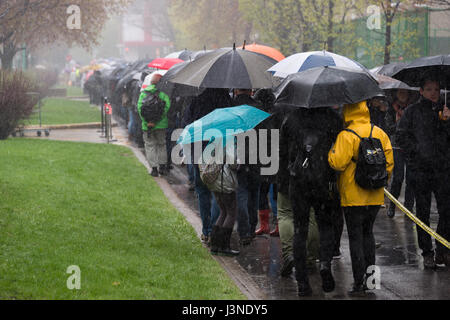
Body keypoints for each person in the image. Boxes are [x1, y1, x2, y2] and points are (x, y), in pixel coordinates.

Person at [329, 100, 394, 296]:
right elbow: (389, 162)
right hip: (374, 195)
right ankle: (372, 280)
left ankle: (358, 282)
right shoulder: (379, 132)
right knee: (369, 235)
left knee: (355, 237)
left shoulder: (346, 135)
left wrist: (331, 151)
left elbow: (337, 163)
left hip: (352, 196)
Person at [281, 107, 342, 296]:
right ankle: (324, 263)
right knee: (325, 225)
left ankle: (302, 281)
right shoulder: (333, 118)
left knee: (300, 229)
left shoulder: (291, 118)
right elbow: (338, 149)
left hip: (299, 180)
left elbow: (283, 151)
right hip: (324, 179)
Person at [396, 74, 450, 268]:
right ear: (421, 91)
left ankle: (443, 249)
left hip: (443, 169)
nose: (433, 93)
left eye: (436, 89)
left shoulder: (445, 110)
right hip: (420, 171)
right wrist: (416, 153)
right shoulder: (412, 112)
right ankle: (427, 252)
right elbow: (401, 136)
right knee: (423, 212)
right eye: (429, 89)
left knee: (446, 210)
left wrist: (445, 121)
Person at [232, 88, 263, 245]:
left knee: (241, 194)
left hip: (238, 158)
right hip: (257, 157)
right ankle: (251, 227)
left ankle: (243, 231)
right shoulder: (259, 108)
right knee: (254, 195)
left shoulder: (231, 108)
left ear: (236, 90)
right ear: (251, 91)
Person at [385, 89, 415, 217]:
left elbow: (415, 127)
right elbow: (388, 129)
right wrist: (398, 123)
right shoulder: (391, 110)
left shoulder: (412, 109)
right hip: (396, 147)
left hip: (410, 147)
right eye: (400, 92)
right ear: (395, 94)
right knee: (398, 178)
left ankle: (408, 208)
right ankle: (392, 205)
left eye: (405, 92)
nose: (402, 94)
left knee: (411, 179)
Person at [137, 71, 171, 177]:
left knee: (150, 146)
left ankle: (154, 169)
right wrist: (157, 120)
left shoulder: (143, 93)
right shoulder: (163, 94)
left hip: (147, 126)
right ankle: (162, 167)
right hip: (161, 125)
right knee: (161, 145)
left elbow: (139, 109)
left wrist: (148, 121)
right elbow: (167, 107)